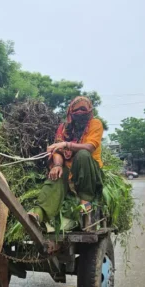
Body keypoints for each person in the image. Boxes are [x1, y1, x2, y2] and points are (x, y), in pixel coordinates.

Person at [28, 96, 104, 225]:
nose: (80, 112)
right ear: (70, 112)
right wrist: (57, 165)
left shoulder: (95, 124)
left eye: (83, 109)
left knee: (83, 154)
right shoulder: (63, 128)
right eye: (76, 109)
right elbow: (57, 150)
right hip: (69, 172)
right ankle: (38, 214)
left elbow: (90, 147)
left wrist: (66, 145)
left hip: (89, 174)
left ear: (89, 111)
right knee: (56, 174)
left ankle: (86, 199)